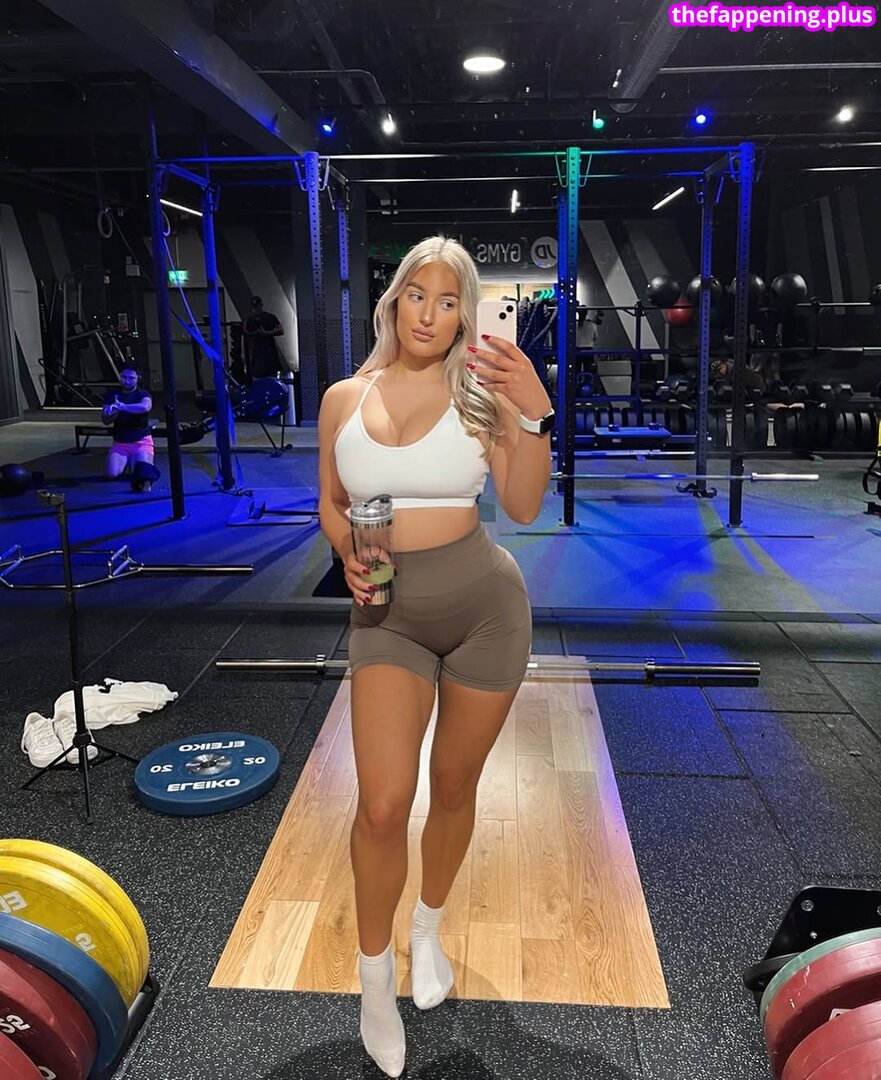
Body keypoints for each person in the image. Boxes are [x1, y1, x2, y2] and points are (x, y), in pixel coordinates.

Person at [318, 236, 554, 1077]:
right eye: (416, 294)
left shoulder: (482, 396)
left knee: (453, 788)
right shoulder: (344, 398)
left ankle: (428, 927)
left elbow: (522, 506)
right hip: (385, 613)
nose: (429, 313)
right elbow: (332, 499)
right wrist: (345, 549)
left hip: (485, 611)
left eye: (447, 300)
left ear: (464, 315)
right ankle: (373, 982)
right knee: (383, 806)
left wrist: (534, 411)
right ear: (393, 302)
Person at [100, 367, 155, 491]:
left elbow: (145, 407)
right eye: (124, 377)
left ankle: (137, 461)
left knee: (141, 475)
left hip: (141, 442)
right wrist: (112, 412)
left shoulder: (143, 394)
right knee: (111, 474)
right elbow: (105, 420)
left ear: (137, 379)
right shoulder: (112, 395)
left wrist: (122, 407)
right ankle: (126, 462)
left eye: (131, 378)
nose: (127, 381)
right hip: (120, 443)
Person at [242, 295, 284, 379]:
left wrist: (267, 333)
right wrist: (254, 334)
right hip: (257, 353)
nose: (256, 309)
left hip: (269, 352)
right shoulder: (250, 320)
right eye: (255, 307)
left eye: (258, 306)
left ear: (261, 305)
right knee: (258, 378)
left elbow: (281, 330)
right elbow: (245, 332)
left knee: (272, 377)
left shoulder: (270, 317)